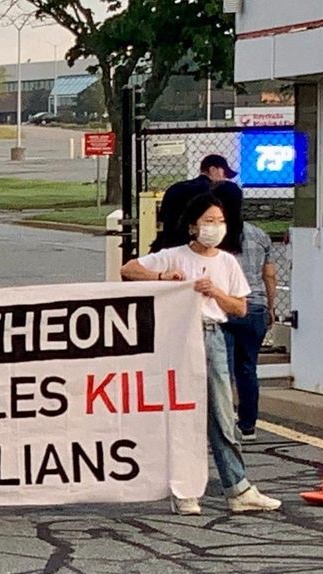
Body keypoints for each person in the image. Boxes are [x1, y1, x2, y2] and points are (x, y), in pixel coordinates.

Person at [120, 193, 281, 515]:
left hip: (211, 335)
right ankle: (184, 490)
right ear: (193, 225)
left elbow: (240, 307)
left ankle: (238, 487)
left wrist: (216, 292)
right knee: (181, 414)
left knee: (221, 414)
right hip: (177, 337)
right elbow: (129, 270)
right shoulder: (173, 256)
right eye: (209, 221)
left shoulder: (226, 262)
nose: (215, 227)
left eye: (220, 222)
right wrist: (163, 278)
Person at [213, 181, 276, 442]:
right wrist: (270, 307)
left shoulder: (217, 237)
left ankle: (225, 423)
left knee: (222, 369)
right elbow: (269, 275)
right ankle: (248, 424)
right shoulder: (259, 234)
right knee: (248, 368)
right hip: (257, 307)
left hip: (226, 307)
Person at [151, 154, 238, 252]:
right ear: (213, 170)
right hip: (198, 247)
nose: (224, 179)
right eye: (224, 174)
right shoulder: (217, 192)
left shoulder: (175, 188)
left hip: (170, 245)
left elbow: (162, 220)